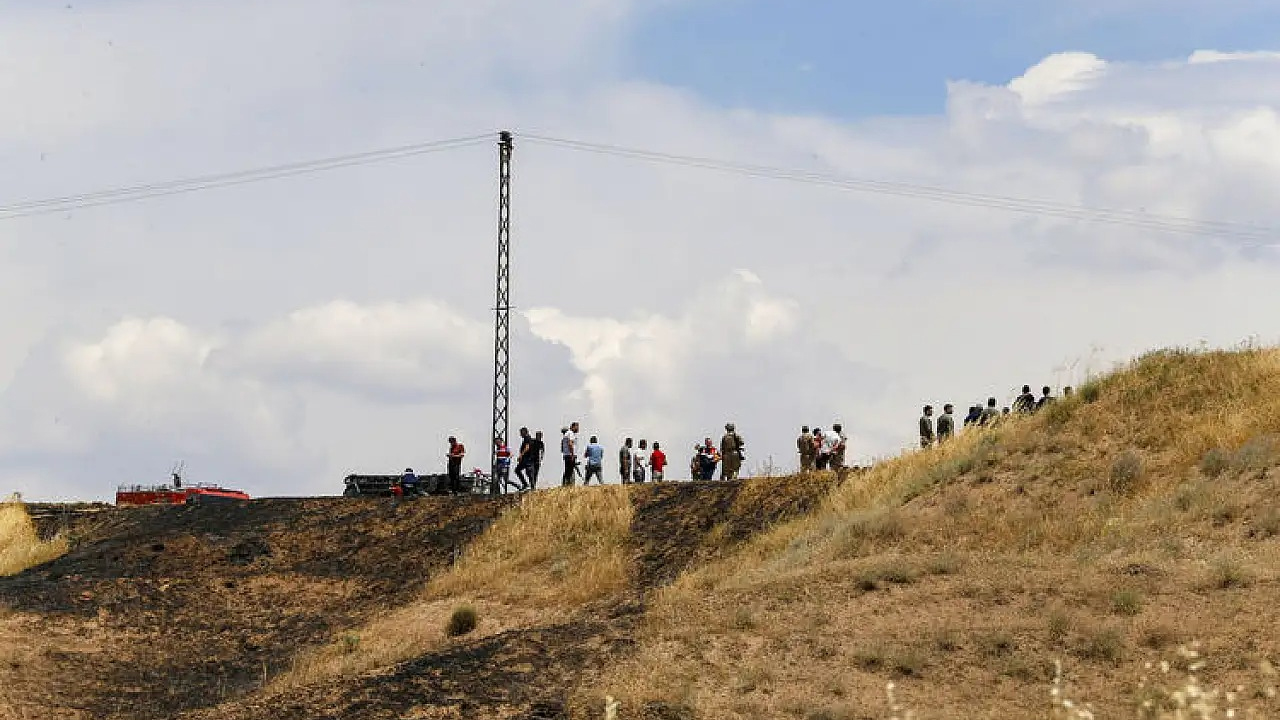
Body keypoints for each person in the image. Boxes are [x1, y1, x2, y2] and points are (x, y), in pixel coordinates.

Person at [561, 422, 579, 487]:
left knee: (567, 471)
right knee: (569, 471)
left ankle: (565, 484)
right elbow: (570, 443)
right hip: (570, 455)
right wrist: (572, 454)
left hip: (567, 455)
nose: (578, 428)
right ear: (573, 427)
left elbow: (562, 448)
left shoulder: (567, 434)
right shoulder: (570, 433)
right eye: (577, 427)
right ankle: (567, 485)